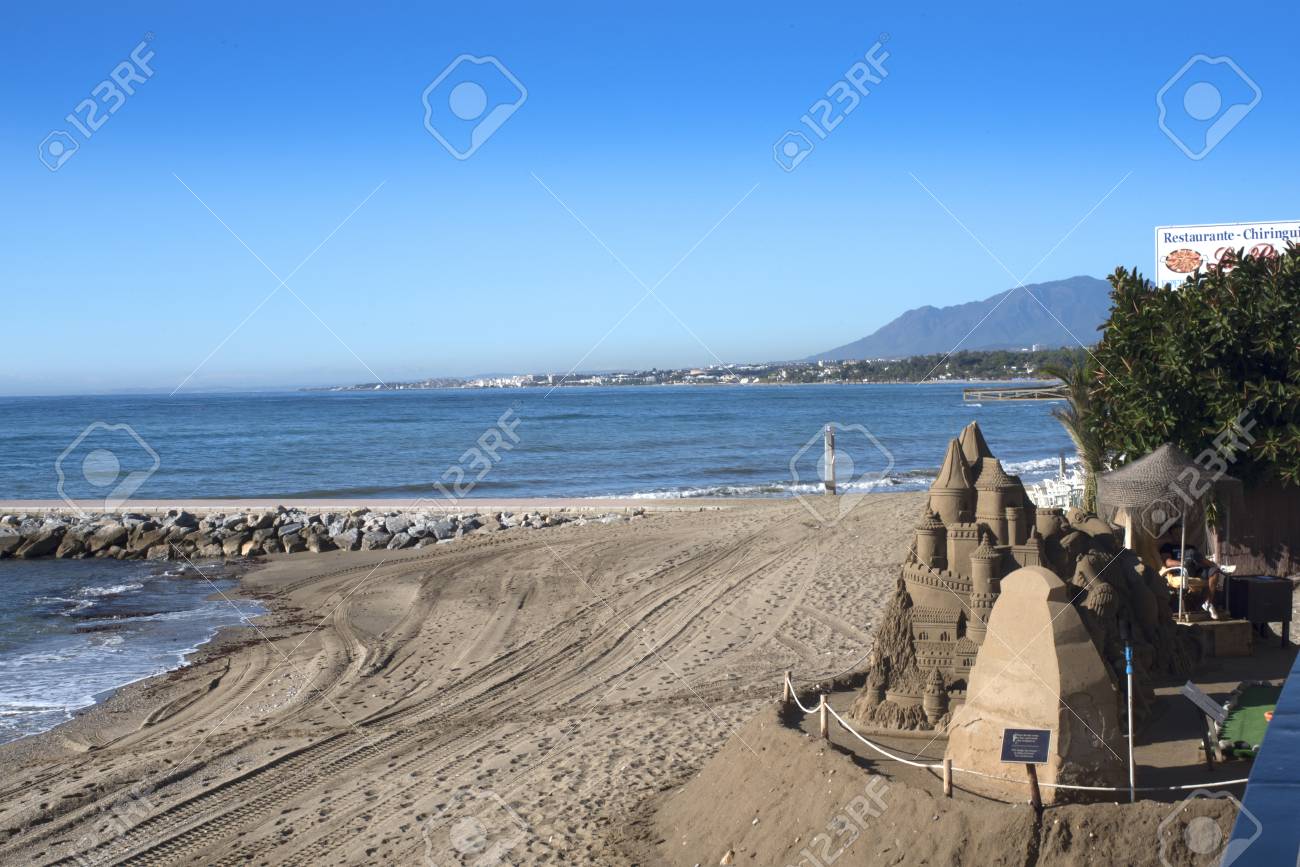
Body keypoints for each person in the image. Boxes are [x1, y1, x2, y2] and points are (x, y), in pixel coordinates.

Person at [1159, 537, 1224, 619]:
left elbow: (1200, 560)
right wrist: (1183, 563)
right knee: (1191, 554)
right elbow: (1168, 562)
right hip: (1181, 570)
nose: (1178, 534)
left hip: (1196, 569)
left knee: (1214, 571)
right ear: (1172, 533)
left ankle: (1208, 602)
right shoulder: (1168, 546)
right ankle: (1218, 566)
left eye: (1180, 530)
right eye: (1176, 531)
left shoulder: (1190, 547)